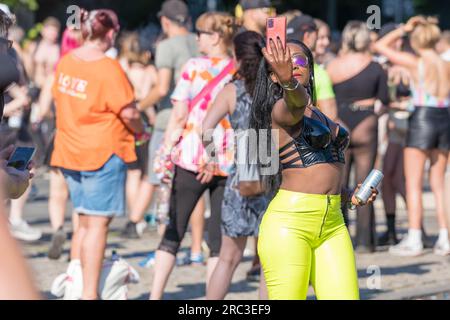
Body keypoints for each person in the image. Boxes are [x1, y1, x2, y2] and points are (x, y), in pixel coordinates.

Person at [249, 37, 378, 300]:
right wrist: (289, 83)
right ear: (274, 76)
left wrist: (348, 195)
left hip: (333, 222)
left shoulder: (318, 113)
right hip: (289, 224)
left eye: (299, 61)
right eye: (285, 62)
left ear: (311, 70)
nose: (293, 65)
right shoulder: (281, 111)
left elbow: (322, 167)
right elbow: (295, 102)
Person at [51, 9, 144, 299]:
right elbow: (128, 112)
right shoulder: (108, 68)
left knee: (83, 221)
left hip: (69, 150)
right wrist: (141, 129)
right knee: (97, 226)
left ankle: (73, 284)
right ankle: (90, 293)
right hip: (100, 152)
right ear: (111, 33)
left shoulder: (66, 61)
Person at [149, 11, 236, 300]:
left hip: (192, 156)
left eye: (200, 33)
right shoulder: (239, 68)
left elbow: (179, 114)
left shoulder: (193, 67)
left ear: (215, 37)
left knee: (173, 230)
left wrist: (167, 146)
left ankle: (155, 294)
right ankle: (213, 299)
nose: (196, 38)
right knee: (217, 239)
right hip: (227, 158)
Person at [374, 16, 450, 256]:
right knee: (439, 184)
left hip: (422, 118)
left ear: (416, 41)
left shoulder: (415, 62)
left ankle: (415, 237)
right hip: (444, 118)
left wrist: (402, 30)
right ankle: (445, 237)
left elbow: (379, 46)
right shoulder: (446, 64)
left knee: (414, 183)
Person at [202, 31, 269, 300]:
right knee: (269, 262)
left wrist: (212, 157)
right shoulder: (275, 89)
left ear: (237, 58)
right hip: (274, 175)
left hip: (241, 175)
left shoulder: (232, 90)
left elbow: (206, 128)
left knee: (228, 258)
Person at [327, 21, 389, 252]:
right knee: (365, 185)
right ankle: (365, 241)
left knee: (339, 184)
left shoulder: (333, 66)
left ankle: (338, 239)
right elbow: (384, 101)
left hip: (339, 123)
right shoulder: (375, 67)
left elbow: (325, 97)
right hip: (366, 122)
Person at [34, 26, 83, 259]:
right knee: (78, 193)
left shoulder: (56, 74)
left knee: (57, 192)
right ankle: (77, 235)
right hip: (84, 137)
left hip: (60, 135)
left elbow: (43, 109)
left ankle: (57, 229)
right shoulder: (87, 73)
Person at [118, 31, 158, 238]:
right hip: (143, 121)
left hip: (126, 121)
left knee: (132, 172)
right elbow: (156, 92)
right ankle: (140, 216)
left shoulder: (122, 68)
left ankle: (136, 218)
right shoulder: (149, 71)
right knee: (146, 173)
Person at [287, 14, 338, 121]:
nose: (326, 42)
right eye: (320, 37)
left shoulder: (278, 70)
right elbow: (331, 117)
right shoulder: (317, 73)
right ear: (307, 36)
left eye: (327, 37)